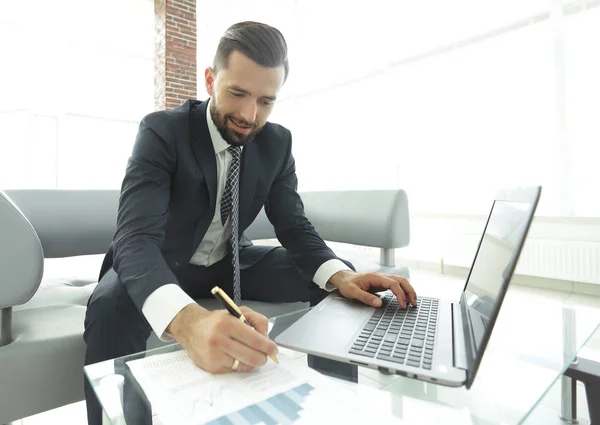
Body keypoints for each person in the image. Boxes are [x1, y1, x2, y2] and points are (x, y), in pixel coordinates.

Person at [83, 21, 416, 424]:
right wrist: (189, 324)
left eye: (265, 101)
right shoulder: (162, 131)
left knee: (334, 285)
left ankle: (335, 406)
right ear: (210, 79)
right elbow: (135, 239)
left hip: (228, 262)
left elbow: (293, 225)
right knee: (109, 304)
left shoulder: (277, 144)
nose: (248, 115)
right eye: (237, 93)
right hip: (161, 262)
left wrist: (340, 275)